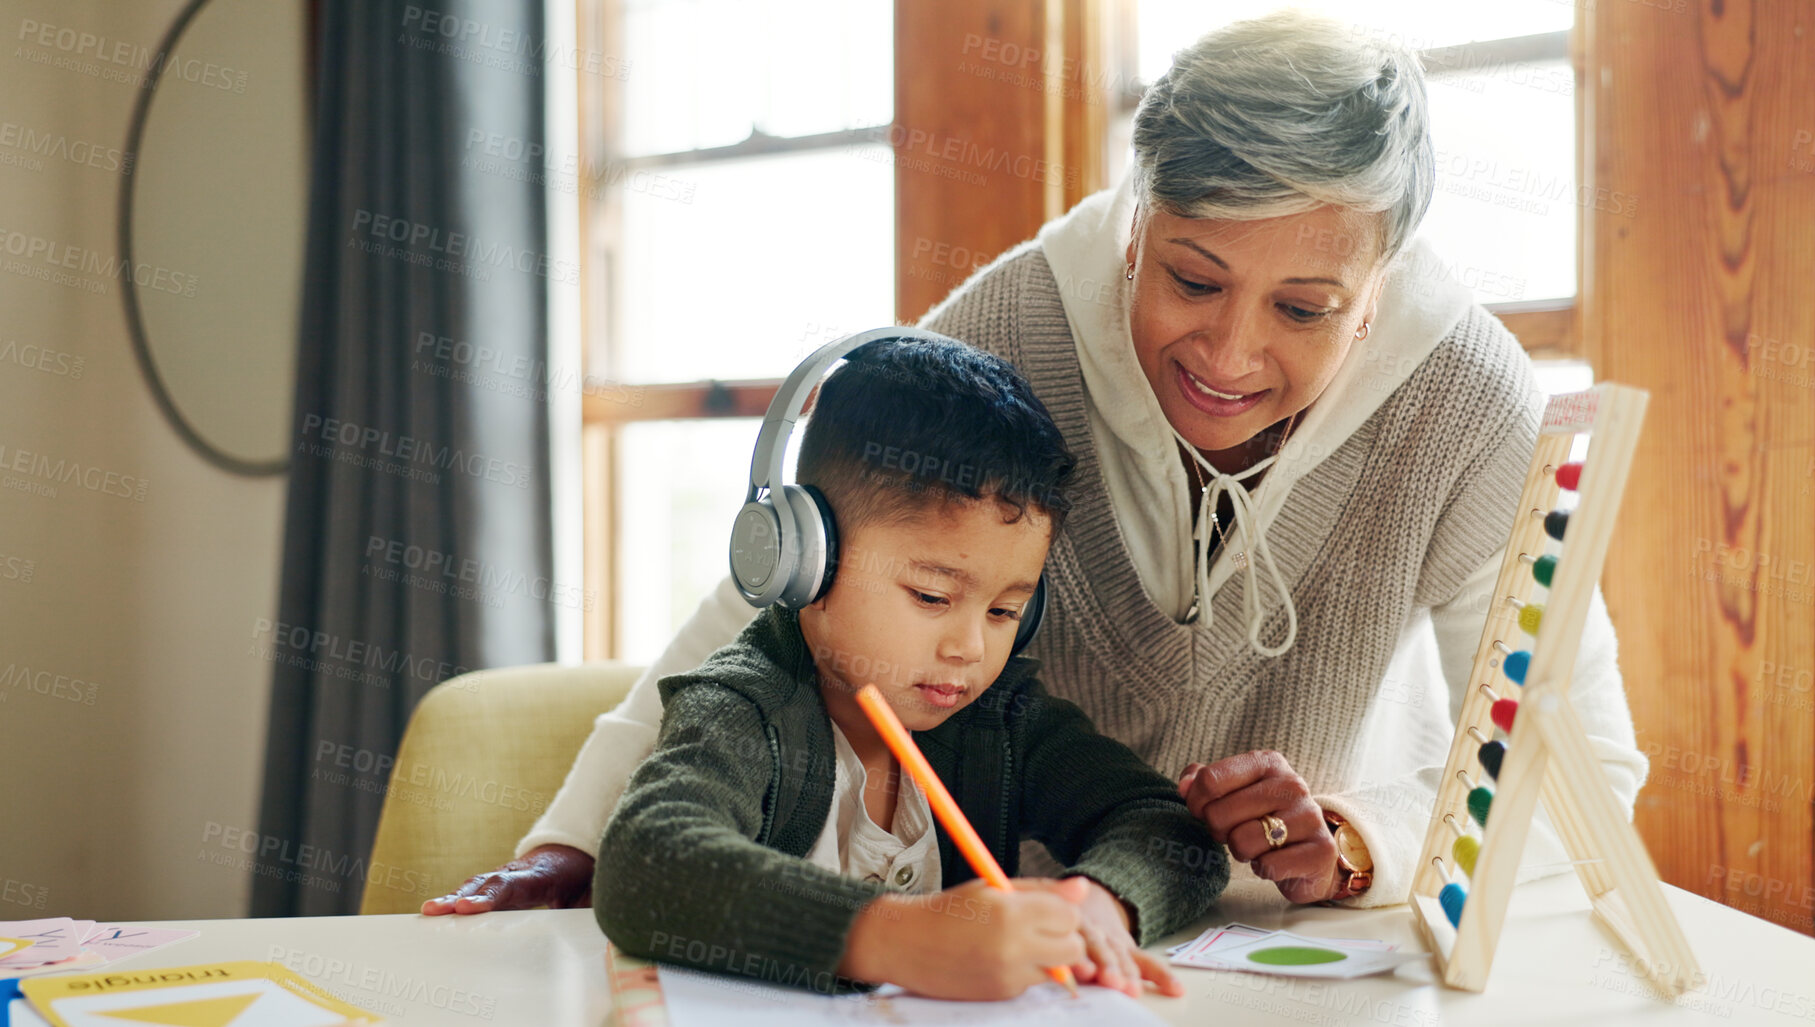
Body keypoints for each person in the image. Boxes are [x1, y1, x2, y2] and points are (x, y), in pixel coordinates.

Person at [426, 7, 1648, 920]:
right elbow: (769, 605)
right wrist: (570, 847)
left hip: (1303, 949)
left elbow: (1586, 765)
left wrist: (1363, 837)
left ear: (1381, 292)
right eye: (1192, 278)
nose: (1229, 352)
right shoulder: (1010, 327)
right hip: (1033, 927)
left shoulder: (1473, 403)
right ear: (1135, 224)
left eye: (1307, 308)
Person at [590, 336, 1228, 999]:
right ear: (805, 560)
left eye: (1005, 610)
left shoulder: (999, 717)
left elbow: (1165, 826)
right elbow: (646, 863)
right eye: (931, 596)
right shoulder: (745, 708)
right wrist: (895, 938)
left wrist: (1100, 900)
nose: (968, 648)